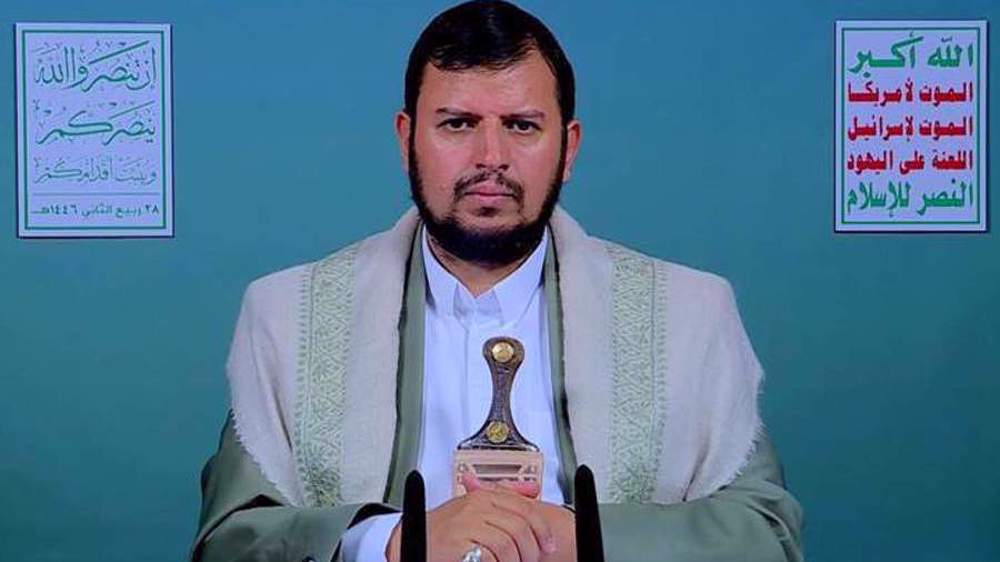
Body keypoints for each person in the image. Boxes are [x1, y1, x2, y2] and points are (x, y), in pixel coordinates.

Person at [191, 1, 804, 561]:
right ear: (407, 141)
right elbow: (230, 543)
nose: (491, 157)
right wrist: (397, 541)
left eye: (522, 125)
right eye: (458, 124)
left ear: (569, 148)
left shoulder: (688, 314)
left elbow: (764, 534)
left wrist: (582, 538)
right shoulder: (288, 315)